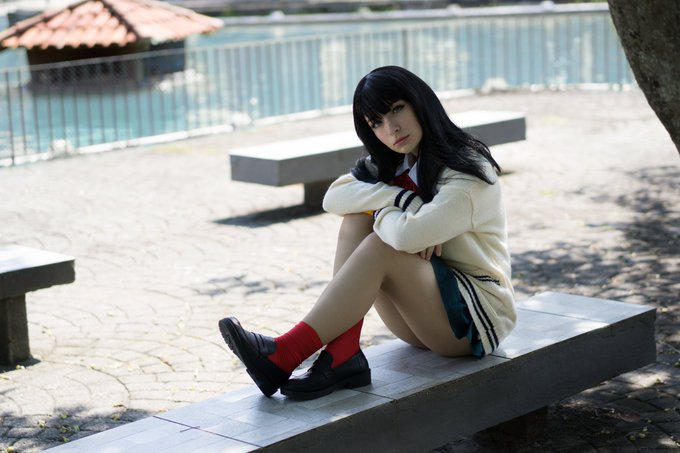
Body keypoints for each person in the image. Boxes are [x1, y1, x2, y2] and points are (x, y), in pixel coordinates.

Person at [219, 65, 516, 401]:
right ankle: (342, 353)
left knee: (382, 243)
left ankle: (287, 351)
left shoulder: (468, 169)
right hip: (425, 316)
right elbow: (334, 196)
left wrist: (384, 212)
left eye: (397, 109)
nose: (391, 129)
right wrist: (399, 200)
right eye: (376, 122)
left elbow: (407, 238)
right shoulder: (398, 163)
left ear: (419, 101)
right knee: (356, 221)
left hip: (475, 320)